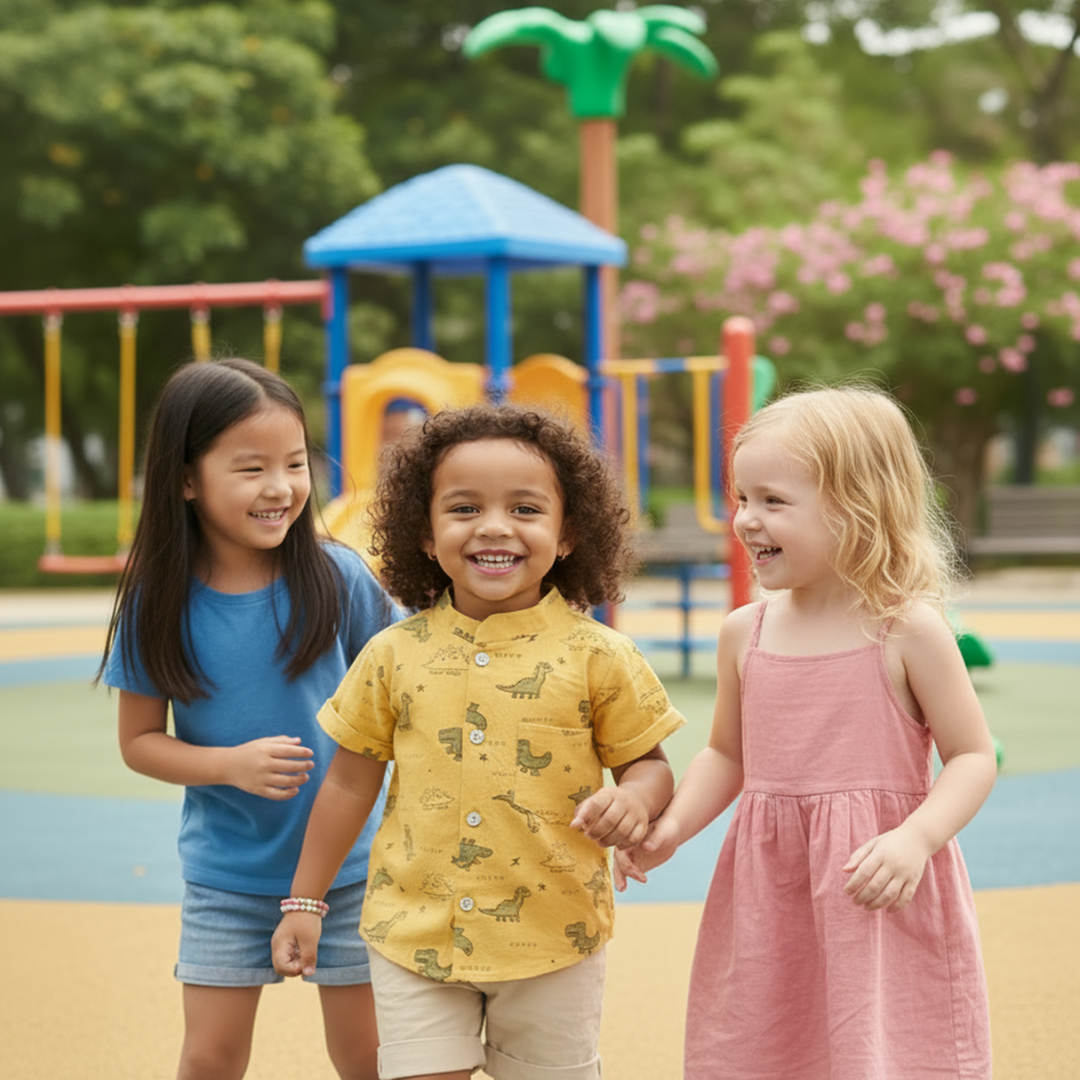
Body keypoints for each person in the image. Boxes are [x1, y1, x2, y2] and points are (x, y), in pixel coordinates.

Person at [271, 402, 685, 1080]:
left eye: (525, 510)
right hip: (415, 934)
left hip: (556, 936)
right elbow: (348, 783)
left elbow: (650, 766)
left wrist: (636, 800)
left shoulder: (600, 656)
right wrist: (304, 902)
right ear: (426, 535)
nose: (494, 527)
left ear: (569, 533)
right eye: (464, 509)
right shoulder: (390, 654)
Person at [617, 385, 996, 1079]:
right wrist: (672, 827)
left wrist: (917, 837)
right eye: (741, 498)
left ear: (859, 507)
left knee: (884, 1049)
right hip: (770, 891)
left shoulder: (906, 630)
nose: (745, 520)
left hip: (875, 888)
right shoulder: (745, 634)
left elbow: (972, 756)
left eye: (773, 501)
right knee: (761, 1043)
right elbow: (727, 754)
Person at [98, 358, 399, 1080]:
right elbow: (139, 743)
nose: (281, 487)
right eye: (251, 468)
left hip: (353, 870)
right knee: (209, 1059)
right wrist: (226, 764)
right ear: (185, 479)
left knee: (368, 1057)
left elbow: (404, 682)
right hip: (227, 877)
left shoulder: (338, 577)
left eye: (295, 463)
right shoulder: (155, 601)